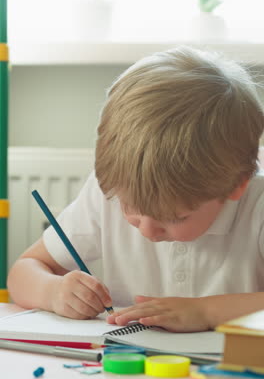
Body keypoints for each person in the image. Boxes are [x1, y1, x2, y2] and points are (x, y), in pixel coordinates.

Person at [7, 46, 264, 333]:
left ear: (237, 184)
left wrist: (206, 311)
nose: (146, 230)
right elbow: (23, 272)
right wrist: (52, 292)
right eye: (129, 208)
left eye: (175, 217)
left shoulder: (259, 203)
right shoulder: (111, 192)